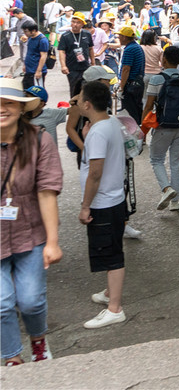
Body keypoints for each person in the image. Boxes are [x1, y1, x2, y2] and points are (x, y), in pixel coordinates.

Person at [0, 81, 63, 365]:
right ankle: (12, 357)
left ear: (21, 108)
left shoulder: (39, 140)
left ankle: (38, 341)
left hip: (30, 232)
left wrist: (52, 241)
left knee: (31, 300)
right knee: (1, 304)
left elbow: (47, 192)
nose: (2, 109)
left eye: (8, 103)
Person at [78, 80, 129, 329]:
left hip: (104, 202)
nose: (76, 102)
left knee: (111, 255)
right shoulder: (109, 123)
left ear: (88, 104)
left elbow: (95, 173)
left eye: (79, 98)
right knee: (112, 247)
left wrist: (85, 205)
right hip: (115, 199)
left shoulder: (99, 131)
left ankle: (115, 308)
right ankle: (111, 293)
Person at [142, 45, 179, 211]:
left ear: (163, 59)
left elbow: (149, 105)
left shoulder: (157, 80)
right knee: (176, 163)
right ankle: (175, 202)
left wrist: (142, 128)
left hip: (163, 126)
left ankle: (166, 188)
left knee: (156, 159)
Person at [57, 12, 94, 98]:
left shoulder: (87, 34)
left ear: (82, 24)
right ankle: (74, 108)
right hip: (72, 68)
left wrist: (93, 63)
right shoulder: (65, 36)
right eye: (73, 22)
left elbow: (91, 48)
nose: (75, 25)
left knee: (86, 90)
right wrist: (63, 66)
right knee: (74, 90)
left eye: (78, 23)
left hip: (85, 66)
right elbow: (61, 51)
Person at [115, 27, 145, 123]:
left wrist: (121, 87)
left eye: (120, 35)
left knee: (130, 113)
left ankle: (133, 134)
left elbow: (126, 69)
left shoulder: (129, 49)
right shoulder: (136, 47)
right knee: (136, 110)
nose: (118, 37)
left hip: (131, 84)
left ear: (124, 37)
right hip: (138, 83)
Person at [20, 22, 49, 91]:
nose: (25, 33)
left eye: (26, 31)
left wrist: (38, 71)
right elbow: (29, 52)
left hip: (36, 70)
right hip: (29, 70)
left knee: (37, 92)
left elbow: (43, 56)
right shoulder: (30, 38)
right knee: (25, 89)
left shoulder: (42, 40)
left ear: (33, 31)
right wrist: (25, 65)